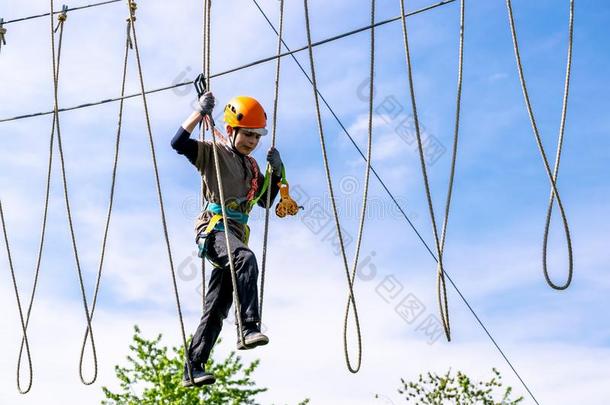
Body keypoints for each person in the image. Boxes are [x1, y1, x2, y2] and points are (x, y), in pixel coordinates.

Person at [171, 92, 283, 387]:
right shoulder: (214, 152)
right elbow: (178, 143)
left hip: (234, 235)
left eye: (257, 137)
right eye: (247, 134)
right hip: (215, 231)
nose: (252, 141)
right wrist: (198, 112)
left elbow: (265, 202)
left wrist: (276, 171)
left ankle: (193, 367)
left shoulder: (252, 168)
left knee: (217, 307)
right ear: (231, 130)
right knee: (245, 259)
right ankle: (248, 327)